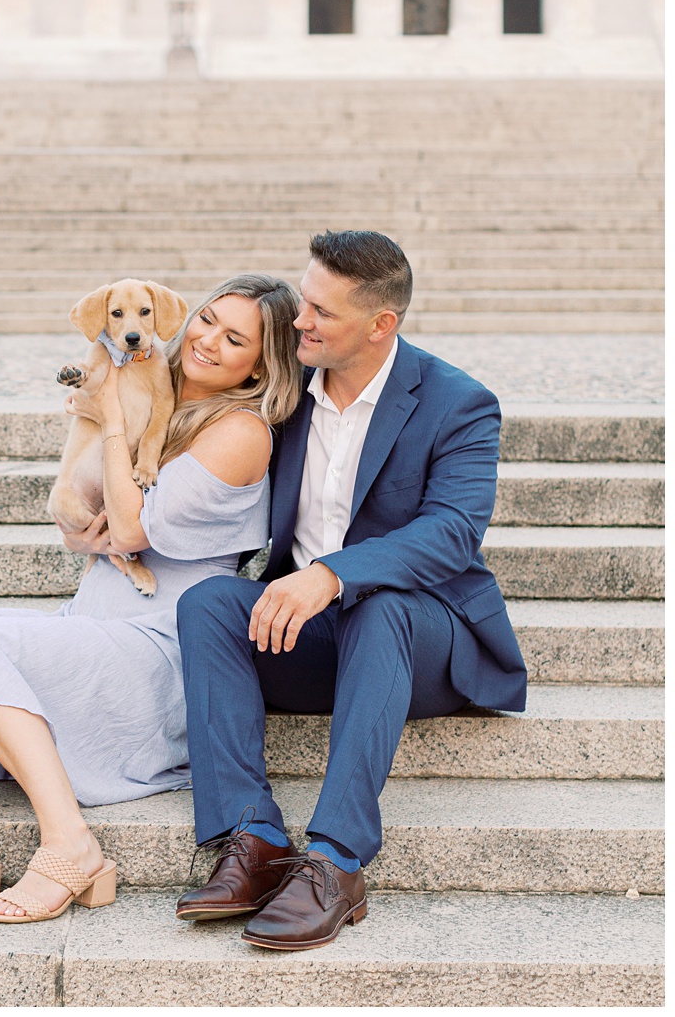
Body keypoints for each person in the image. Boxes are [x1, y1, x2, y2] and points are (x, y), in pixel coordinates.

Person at [0, 275, 303, 923]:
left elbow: (130, 528)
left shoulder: (241, 431)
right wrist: (75, 519)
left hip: (154, 652)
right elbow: (92, 507)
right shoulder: (158, 385)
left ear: (260, 365)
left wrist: (114, 418)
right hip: (97, 625)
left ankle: (72, 843)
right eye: (206, 319)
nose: (206, 339)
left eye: (234, 338)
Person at [175, 231, 527, 950]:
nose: (299, 319)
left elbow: (454, 532)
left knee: (382, 602)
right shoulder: (287, 392)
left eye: (320, 311)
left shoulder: (458, 403)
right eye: (304, 299)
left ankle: (336, 861)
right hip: (311, 638)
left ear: (380, 324)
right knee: (209, 603)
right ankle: (254, 837)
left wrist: (332, 573)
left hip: (422, 642)